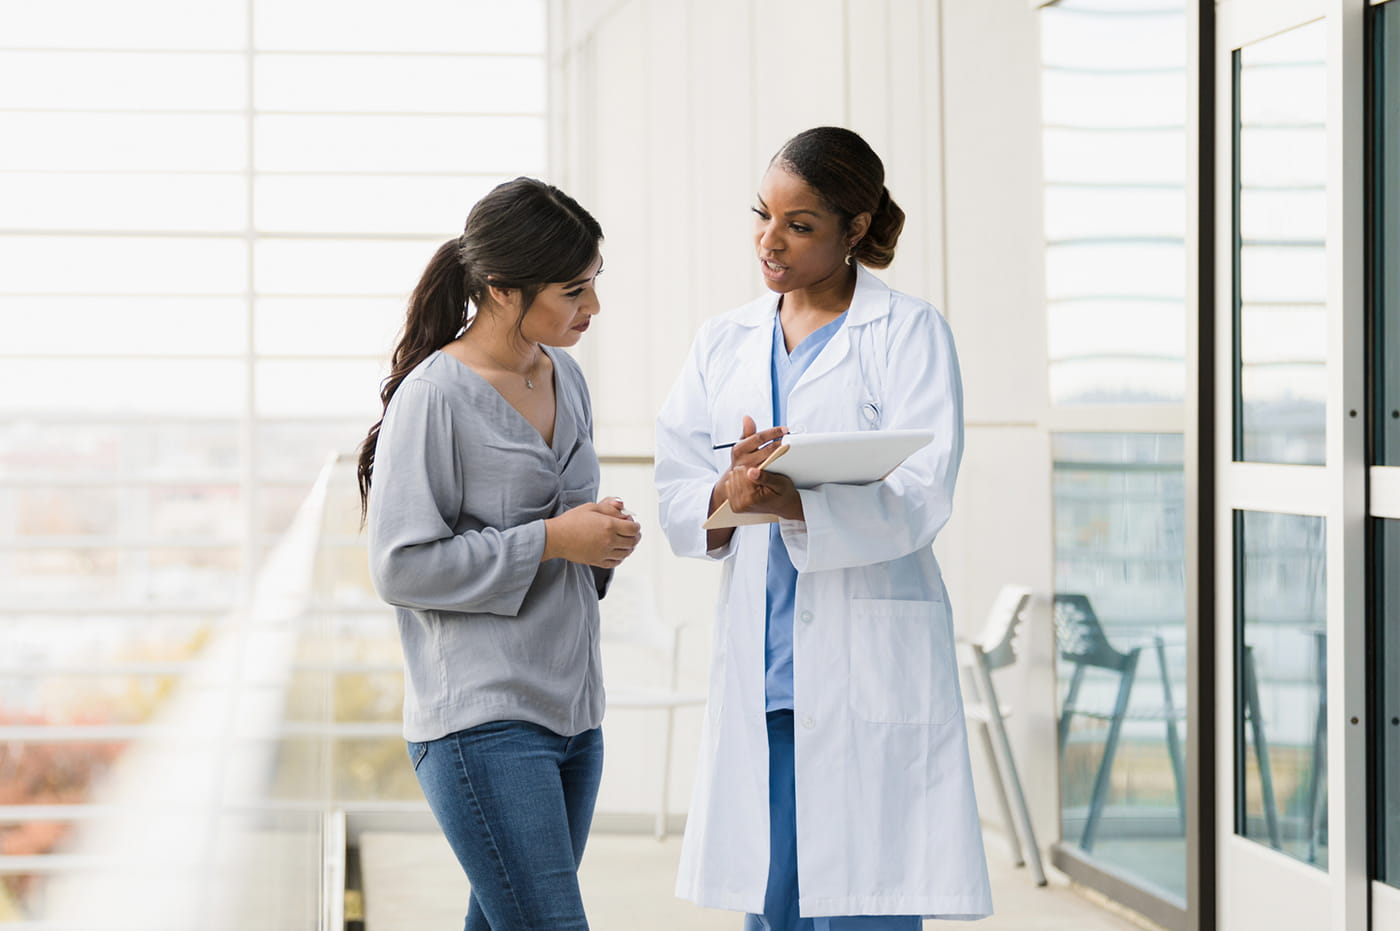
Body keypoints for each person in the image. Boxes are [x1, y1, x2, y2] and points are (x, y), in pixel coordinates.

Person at [654, 127, 992, 928]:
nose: (770, 241)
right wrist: (731, 493)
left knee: (864, 905)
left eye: (799, 225)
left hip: (864, 663)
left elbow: (922, 491)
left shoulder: (908, 333)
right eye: (763, 215)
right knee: (772, 905)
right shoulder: (723, 341)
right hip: (765, 674)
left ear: (857, 229)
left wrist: (792, 502)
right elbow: (676, 487)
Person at [359, 177, 640, 931]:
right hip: (482, 716)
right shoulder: (435, 396)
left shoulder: (564, 375)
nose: (593, 307)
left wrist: (601, 538)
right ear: (502, 289)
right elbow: (401, 565)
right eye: (574, 289)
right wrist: (553, 539)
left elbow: (572, 524)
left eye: (594, 284)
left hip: (576, 710)